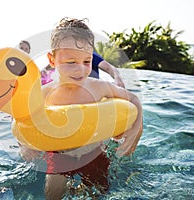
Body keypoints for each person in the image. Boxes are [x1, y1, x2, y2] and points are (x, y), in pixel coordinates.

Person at [19, 17, 143, 199]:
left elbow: (132, 99)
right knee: (51, 194)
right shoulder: (44, 93)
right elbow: (20, 118)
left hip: (93, 152)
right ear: (52, 60)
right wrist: (24, 146)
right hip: (59, 154)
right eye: (71, 62)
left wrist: (135, 129)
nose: (80, 69)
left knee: (99, 193)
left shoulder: (97, 87)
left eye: (86, 61)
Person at [41, 50, 125, 87]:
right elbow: (54, 62)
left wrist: (118, 79)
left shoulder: (91, 55)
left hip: (90, 89)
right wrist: (44, 70)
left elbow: (110, 68)